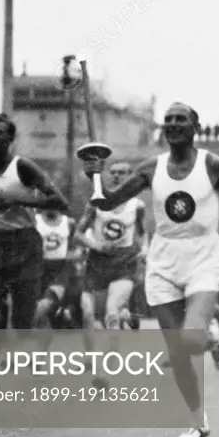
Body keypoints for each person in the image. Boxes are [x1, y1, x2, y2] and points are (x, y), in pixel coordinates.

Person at [81, 102, 219, 437]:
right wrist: (94, 174)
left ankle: (210, 336)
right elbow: (107, 202)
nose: (173, 124)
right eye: (168, 120)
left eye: (181, 119)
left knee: (190, 339)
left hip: (203, 257)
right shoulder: (151, 168)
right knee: (178, 350)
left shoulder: (213, 165)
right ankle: (197, 419)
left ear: (196, 125)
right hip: (163, 261)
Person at [0, 114, 70, 410]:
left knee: (23, 325)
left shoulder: (23, 167)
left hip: (25, 246)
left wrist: (21, 201)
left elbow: (60, 202)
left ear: (10, 138)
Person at [73, 161, 147, 383]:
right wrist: (95, 246)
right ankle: (90, 356)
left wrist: (143, 253)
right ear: (106, 177)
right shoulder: (96, 204)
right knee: (87, 314)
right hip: (97, 263)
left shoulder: (138, 206)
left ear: (129, 177)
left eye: (122, 173)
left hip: (124, 263)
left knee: (111, 313)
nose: (116, 177)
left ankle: (104, 371)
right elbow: (78, 234)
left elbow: (142, 234)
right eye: (113, 173)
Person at [33, 209, 78, 334]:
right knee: (41, 315)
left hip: (60, 270)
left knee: (48, 302)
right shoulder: (34, 221)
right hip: (38, 269)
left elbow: (75, 246)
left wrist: (74, 255)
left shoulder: (69, 222)